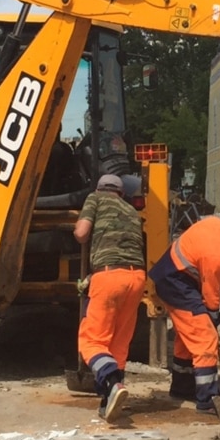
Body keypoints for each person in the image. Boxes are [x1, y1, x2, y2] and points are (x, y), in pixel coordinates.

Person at [149, 215, 220, 415]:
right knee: (205, 339)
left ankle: (182, 387)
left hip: (170, 276)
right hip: (176, 283)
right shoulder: (216, 256)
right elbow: (211, 293)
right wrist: (211, 317)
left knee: (188, 336)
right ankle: (208, 398)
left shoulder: (214, 223)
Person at [74, 174, 146, 421]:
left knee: (91, 341)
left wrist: (81, 228)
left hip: (109, 275)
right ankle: (109, 401)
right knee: (118, 343)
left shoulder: (95, 199)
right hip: (136, 278)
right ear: (121, 193)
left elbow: (82, 233)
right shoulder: (131, 211)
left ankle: (113, 384)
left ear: (99, 188)